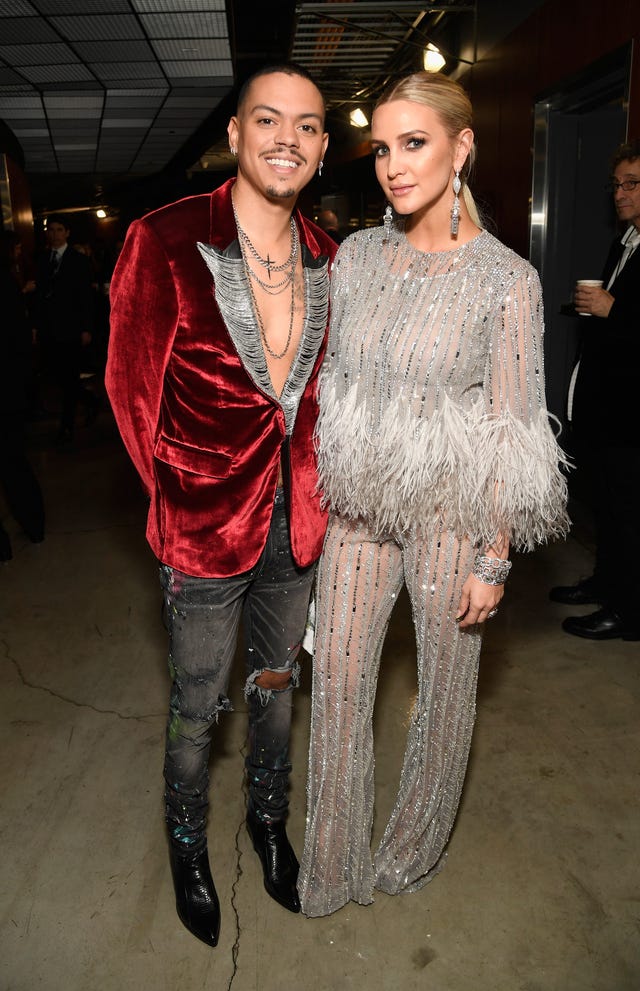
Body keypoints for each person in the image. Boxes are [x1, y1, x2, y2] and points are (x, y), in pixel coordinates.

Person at [297, 71, 569, 918]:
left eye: (413, 143)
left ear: (462, 148)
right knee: (339, 682)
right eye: (382, 147)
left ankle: (411, 845)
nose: (393, 165)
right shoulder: (358, 256)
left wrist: (495, 557)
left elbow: (513, 430)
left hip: (453, 511)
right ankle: (332, 862)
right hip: (359, 507)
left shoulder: (506, 280)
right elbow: (323, 378)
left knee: (445, 692)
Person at [105, 63, 337, 947]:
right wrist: (178, 496)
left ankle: (268, 826)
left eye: (308, 125)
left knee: (277, 690)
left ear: (320, 148)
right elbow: (129, 393)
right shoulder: (163, 240)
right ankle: (187, 845)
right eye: (268, 120)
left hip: (299, 522)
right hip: (203, 528)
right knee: (196, 704)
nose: (287, 137)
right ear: (235, 134)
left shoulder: (330, 254)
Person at [549, 140, 640, 641]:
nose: (620, 194)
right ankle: (608, 585)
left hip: (634, 414)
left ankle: (629, 612)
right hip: (609, 404)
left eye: (632, 184)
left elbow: (624, 315)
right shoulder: (625, 241)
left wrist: (615, 311)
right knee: (606, 504)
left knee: (630, 514)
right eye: (617, 185)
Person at [0, 231, 45, 560]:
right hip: (10, 390)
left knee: (11, 461)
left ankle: (31, 526)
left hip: (7, 390)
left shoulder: (7, 285)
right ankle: (33, 526)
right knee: (13, 461)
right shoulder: (8, 284)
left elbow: (18, 344)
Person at [34, 215, 96, 443]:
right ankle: (89, 400)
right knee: (58, 376)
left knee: (69, 375)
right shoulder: (42, 260)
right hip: (50, 329)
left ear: (67, 233)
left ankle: (67, 425)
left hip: (71, 327)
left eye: (59, 230)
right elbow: (40, 297)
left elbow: (85, 298)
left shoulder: (78, 260)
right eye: (51, 230)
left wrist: (86, 328)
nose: (55, 234)